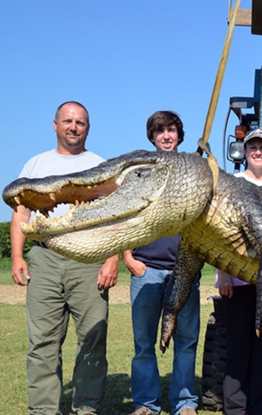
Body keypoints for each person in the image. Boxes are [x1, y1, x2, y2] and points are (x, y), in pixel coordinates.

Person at [10, 101, 120, 415]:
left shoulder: (101, 165)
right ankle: (44, 409)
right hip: (44, 258)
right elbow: (22, 213)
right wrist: (18, 256)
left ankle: (86, 407)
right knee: (43, 340)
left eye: (81, 122)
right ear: (55, 124)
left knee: (92, 339)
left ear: (88, 128)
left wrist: (111, 259)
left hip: (89, 258)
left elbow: (116, 217)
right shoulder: (35, 165)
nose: (74, 127)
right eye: (68, 121)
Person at [123, 111, 200, 415]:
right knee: (144, 344)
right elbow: (126, 218)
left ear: (179, 136)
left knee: (186, 340)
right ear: (152, 137)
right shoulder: (139, 173)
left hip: (184, 271)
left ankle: (184, 404)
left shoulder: (193, 170)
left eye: (171, 130)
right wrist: (128, 258)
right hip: (146, 270)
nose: (166, 136)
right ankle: (146, 404)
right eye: (160, 131)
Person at [215, 128, 262, 415]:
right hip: (238, 280)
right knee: (237, 347)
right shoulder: (231, 183)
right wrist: (223, 273)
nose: (257, 152)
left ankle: (257, 406)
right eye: (252, 147)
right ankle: (235, 408)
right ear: (244, 151)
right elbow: (219, 233)